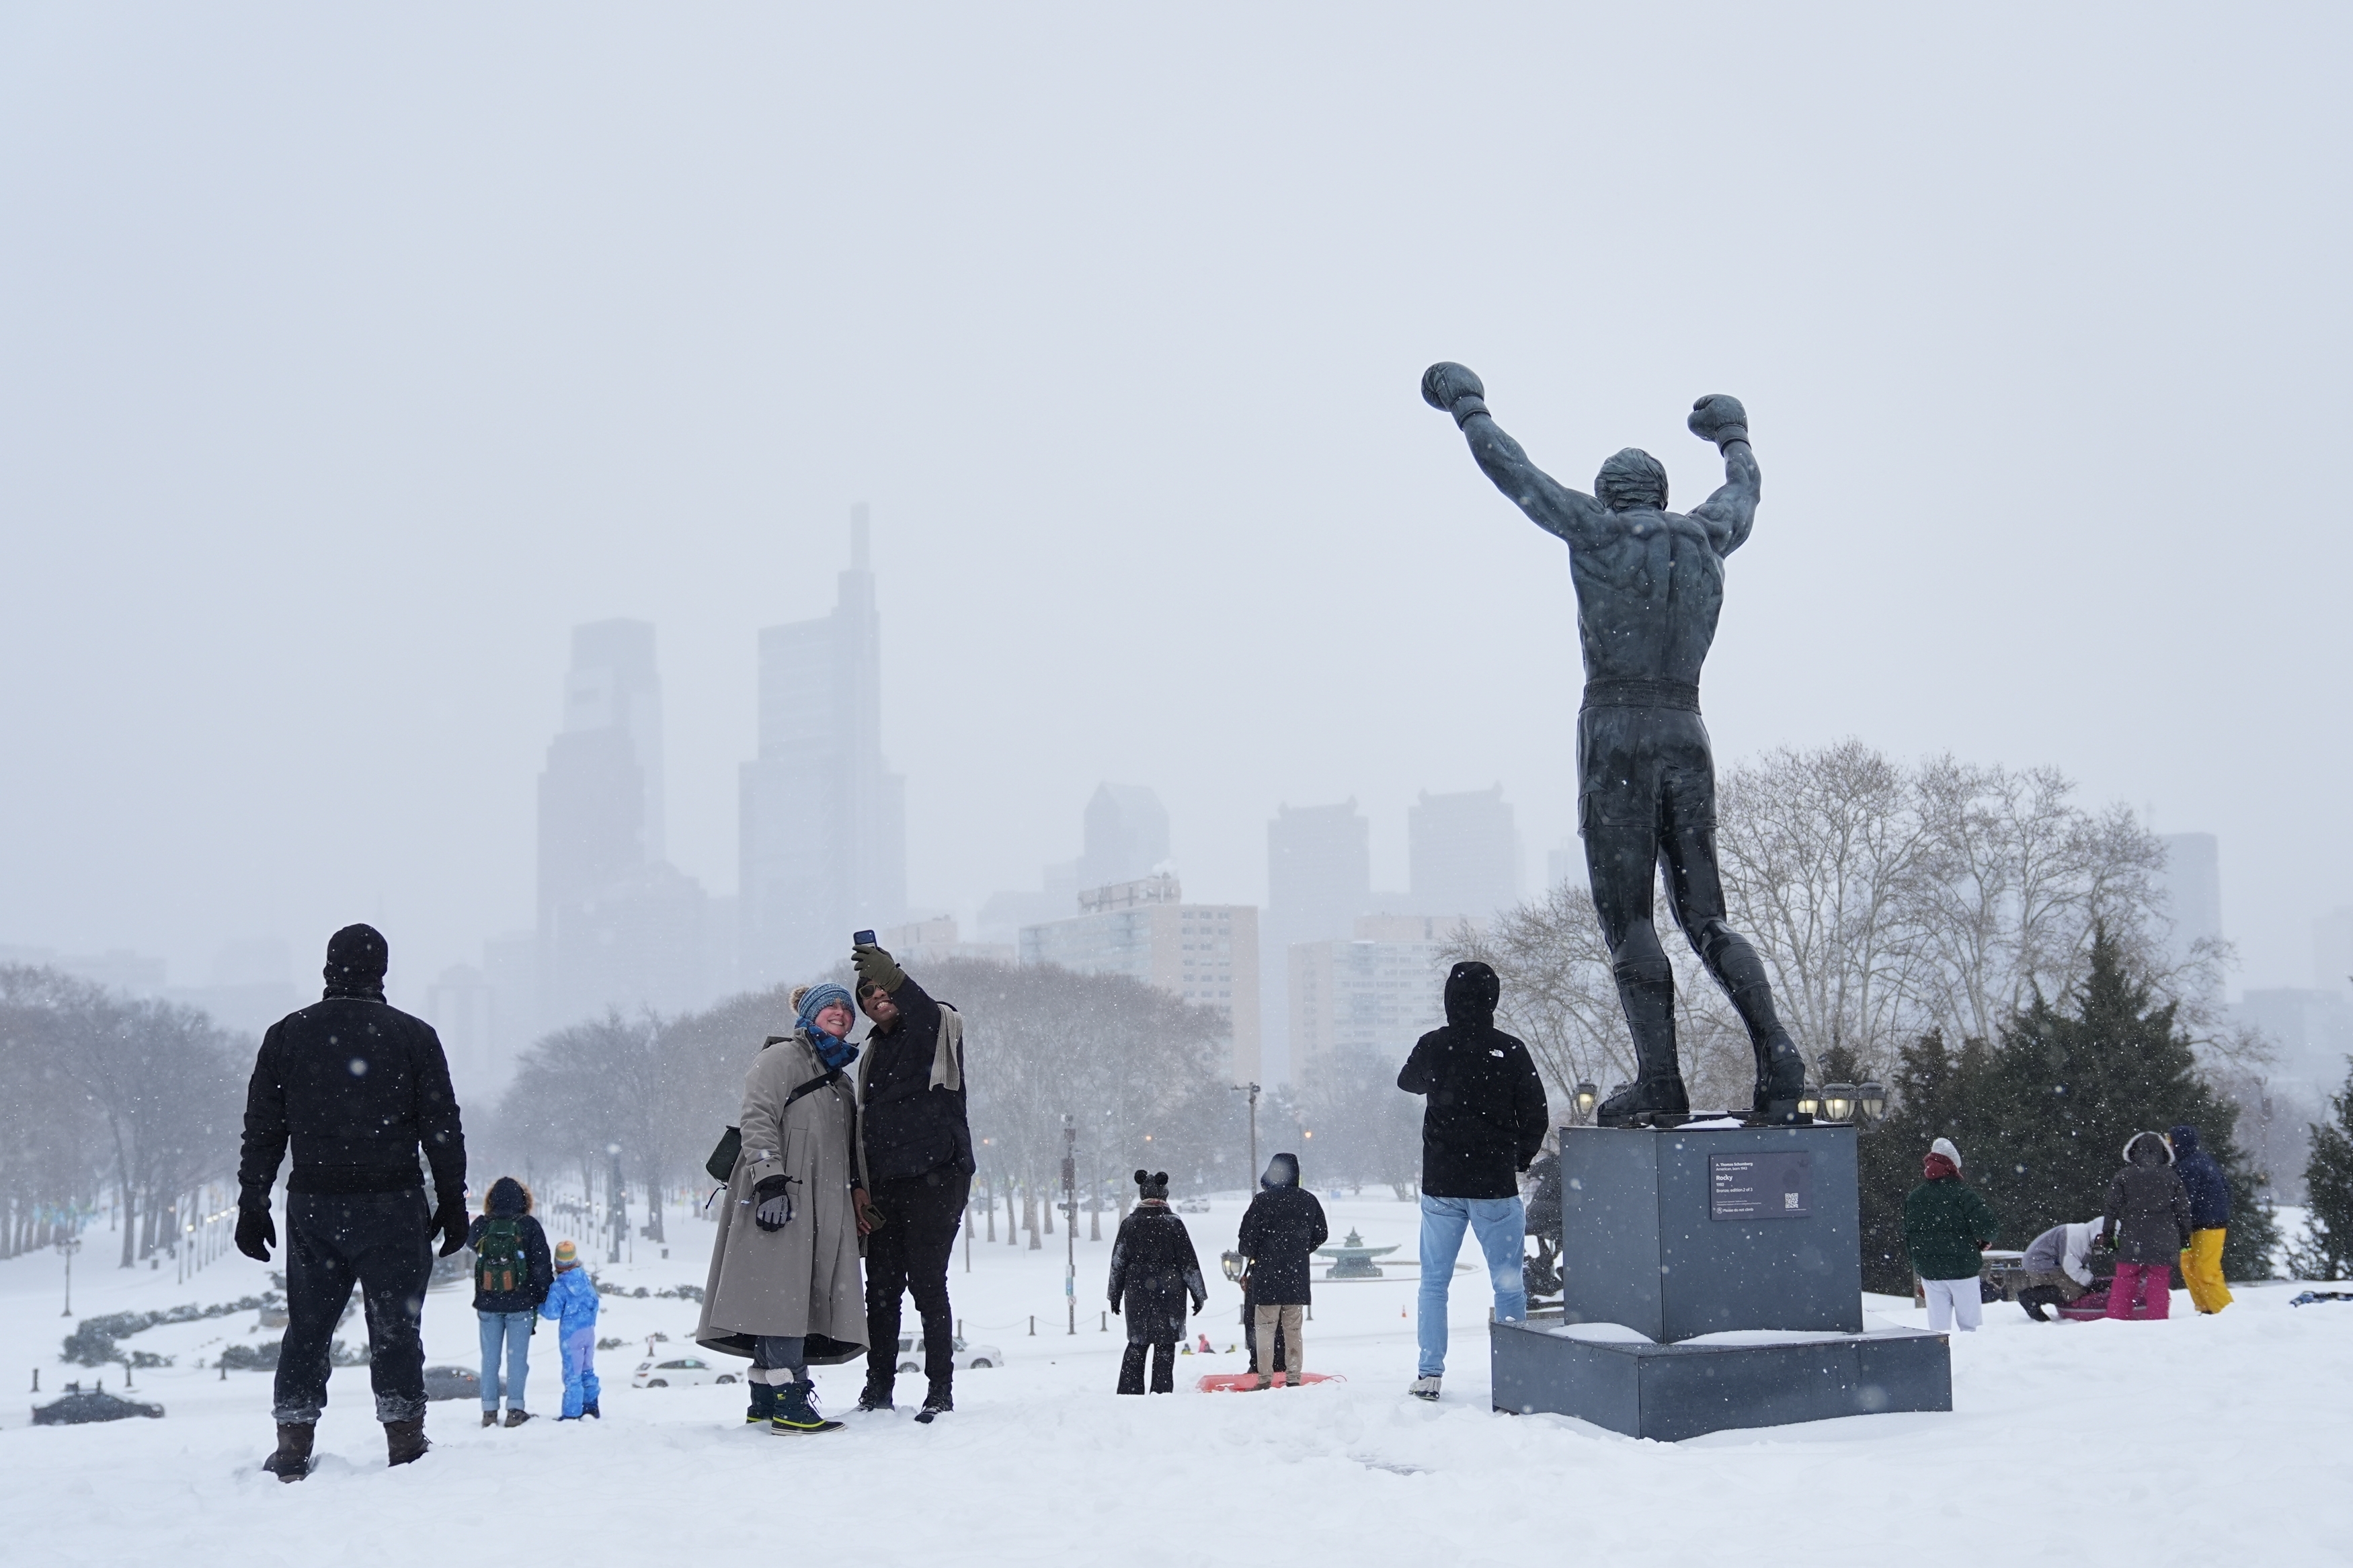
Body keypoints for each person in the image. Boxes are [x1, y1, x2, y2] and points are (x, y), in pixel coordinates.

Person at [1421, 365, 1808, 1124]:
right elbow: (1744, 490)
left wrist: (1465, 405)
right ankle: (1777, 1052)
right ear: (1661, 496)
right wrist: (1732, 433)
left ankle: (1660, 1082)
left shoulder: (1595, 531)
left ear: (1609, 496)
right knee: (1705, 914)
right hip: (1686, 729)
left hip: (1616, 731)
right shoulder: (1705, 537)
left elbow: (1513, 470)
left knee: (1628, 917)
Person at [234, 923, 467, 1481]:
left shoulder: (288, 1035)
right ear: (382, 972)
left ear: (327, 969)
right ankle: (405, 1441)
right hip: (394, 1203)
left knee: (308, 1330)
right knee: (395, 1329)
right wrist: (453, 1200)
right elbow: (442, 1128)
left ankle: (292, 1446)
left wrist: (253, 1199)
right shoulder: (414, 1036)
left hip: (316, 1201)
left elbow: (264, 1130)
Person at [695, 982, 869, 1435]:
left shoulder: (840, 1079)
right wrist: (770, 1180)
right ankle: (789, 1402)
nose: (839, 1012)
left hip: (821, 1202)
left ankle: (764, 1400)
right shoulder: (780, 1059)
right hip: (781, 1193)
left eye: (845, 1008)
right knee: (781, 1292)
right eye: (828, 1006)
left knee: (789, 1290)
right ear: (809, 1015)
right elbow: (757, 1117)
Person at [1396, 960, 1549, 1401]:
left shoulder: (1433, 1045)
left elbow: (1406, 1080)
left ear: (1449, 999)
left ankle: (1429, 1373)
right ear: (1493, 1000)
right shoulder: (1511, 1050)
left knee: (1433, 1283)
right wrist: (1517, 1158)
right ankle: (1518, 1372)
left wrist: (1439, 1073)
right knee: (1508, 1284)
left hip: (1441, 1184)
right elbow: (1535, 1112)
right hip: (1495, 1187)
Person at [850, 940, 975, 1422]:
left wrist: (895, 976)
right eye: (867, 994)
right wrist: (860, 1186)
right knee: (879, 1289)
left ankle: (939, 1389)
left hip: (935, 1177)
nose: (876, 996)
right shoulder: (871, 1055)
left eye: (883, 988)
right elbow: (863, 1125)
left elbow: (924, 1008)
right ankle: (878, 1386)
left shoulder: (933, 1027)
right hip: (886, 1186)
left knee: (927, 1284)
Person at [1107, 1169, 1206, 1395]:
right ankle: (1161, 1392)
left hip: (1137, 1293)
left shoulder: (1130, 1224)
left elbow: (1118, 1263)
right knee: (1165, 1345)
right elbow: (1188, 1263)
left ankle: (1130, 1393)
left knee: (1137, 1344)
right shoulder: (1174, 1224)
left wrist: (1115, 1295)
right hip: (1170, 1293)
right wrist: (1198, 1295)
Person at [1236, 1153, 1329, 1390]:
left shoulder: (1262, 1202)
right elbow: (1322, 1233)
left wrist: (1262, 1251)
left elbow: (1246, 1242)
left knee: (1265, 1329)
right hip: (1296, 1277)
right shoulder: (1309, 1201)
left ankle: (1265, 1379)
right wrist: (1300, 1250)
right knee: (1293, 1329)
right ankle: (1294, 1377)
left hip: (1266, 1277)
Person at [469, 1175, 553, 1426]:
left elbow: (472, 1244)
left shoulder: (483, 1225)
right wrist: (542, 1296)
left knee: (490, 1360)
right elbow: (541, 1265)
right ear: (524, 1200)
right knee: (517, 1359)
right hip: (521, 1304)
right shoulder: (529, 1225)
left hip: (487, 1304)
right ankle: (515, 1410)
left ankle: (489, 1411)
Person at [1902, 1137, 1999, 1333]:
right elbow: (1989, 1227)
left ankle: (1940, 1361)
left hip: (1931, 1274)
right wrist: (1983, 1240)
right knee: (1971, 1329)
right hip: (1963, 1271)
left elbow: (1910, 1237)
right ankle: (1972, 1361)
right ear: (1953, 1166)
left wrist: (1921, 1265)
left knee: (1938, 1331)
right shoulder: (1962, 1193)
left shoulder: (1914, 1197)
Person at [2104, 1130, 2193, 1321]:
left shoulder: (2124, 1176)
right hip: (2164, 1237)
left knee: (2125, 1280)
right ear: (2163, 1152)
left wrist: (2109, 1236)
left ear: (2134, 1151)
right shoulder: (2172, 1178)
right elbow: (2183, 1211)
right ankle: (2158, 1321)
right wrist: (2185, 1238)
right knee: (2159, 1282)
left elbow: (2112, 1209)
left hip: (2132, 1236)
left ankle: (2116, 1321)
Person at [2170, 1123, 2233, 1314]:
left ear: (2180, 1144)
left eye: (2171, 1143)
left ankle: (2226, 1312)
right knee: (2189, 1266)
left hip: (2209, 1226)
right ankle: (2206, 1308)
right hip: (2202, 1224)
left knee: (2206, 1269)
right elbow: (2227, 1189)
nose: (2169, 1147)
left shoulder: (2190, 1166)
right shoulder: (2199, 1161)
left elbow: (2185, 1200)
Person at [540, 1240, 601, 1418]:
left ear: (557, 1264)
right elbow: (594, 1303)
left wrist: (539, 1306)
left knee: (572, 1374)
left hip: (571, 1335)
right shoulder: (585, 1279)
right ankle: (591, 1406)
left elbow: (552, 1313)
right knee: (587, 1370)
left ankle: (572, 1413)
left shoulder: (559, 1287)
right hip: (588, 1332)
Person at [2016, 1217, 2106, 1321]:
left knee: (2075, 1285)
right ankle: (2030, 1297)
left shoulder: (2084, 1235)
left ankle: (2034, 1296)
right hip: (2040, 1263)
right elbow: (2072, 1268)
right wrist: (2091, 1283)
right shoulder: (2077, 1236)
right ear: (2099, 1232)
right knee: (2074, 1291)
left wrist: (2090, 1281)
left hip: (2046, 1262)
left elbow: (2078, 1265)